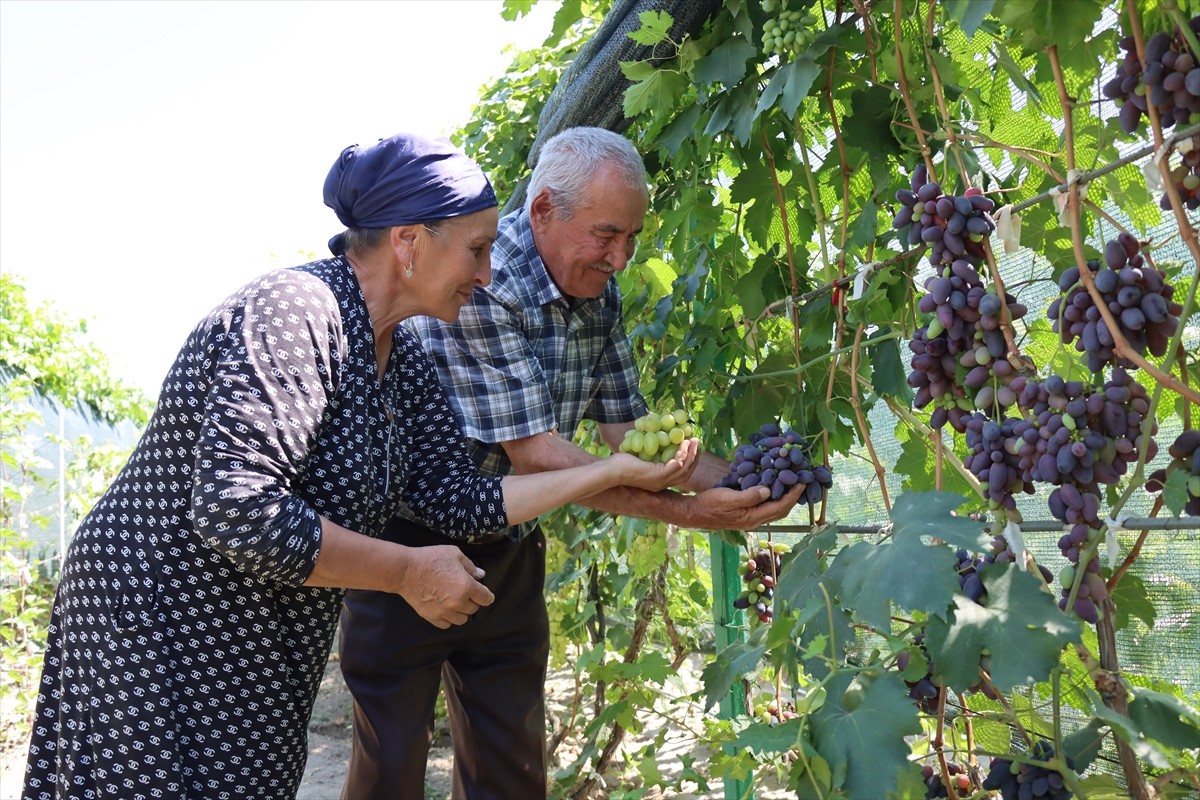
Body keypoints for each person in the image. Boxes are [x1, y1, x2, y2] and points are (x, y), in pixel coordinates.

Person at [19, 132, 702, 800]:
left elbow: (456, 498)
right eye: (476, 249)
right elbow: (236, 508)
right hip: (158, 618)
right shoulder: (296, 313)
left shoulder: (397, 354)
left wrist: (609, 473)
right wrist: (406, 570)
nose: (489, 273)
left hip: (257, 629)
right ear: (409, 243)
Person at [338, 126, 804, 800]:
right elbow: (536, 456)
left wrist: (744, 482)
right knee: (390, 770)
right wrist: (692, 514)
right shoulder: (479, 287)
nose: (621, 257)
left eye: (632, 238)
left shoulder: (595, 291)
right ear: (544, 213)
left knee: (513, 771)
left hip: (510, 545)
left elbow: (628, 435)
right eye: (607, 234)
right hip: (406, 548)